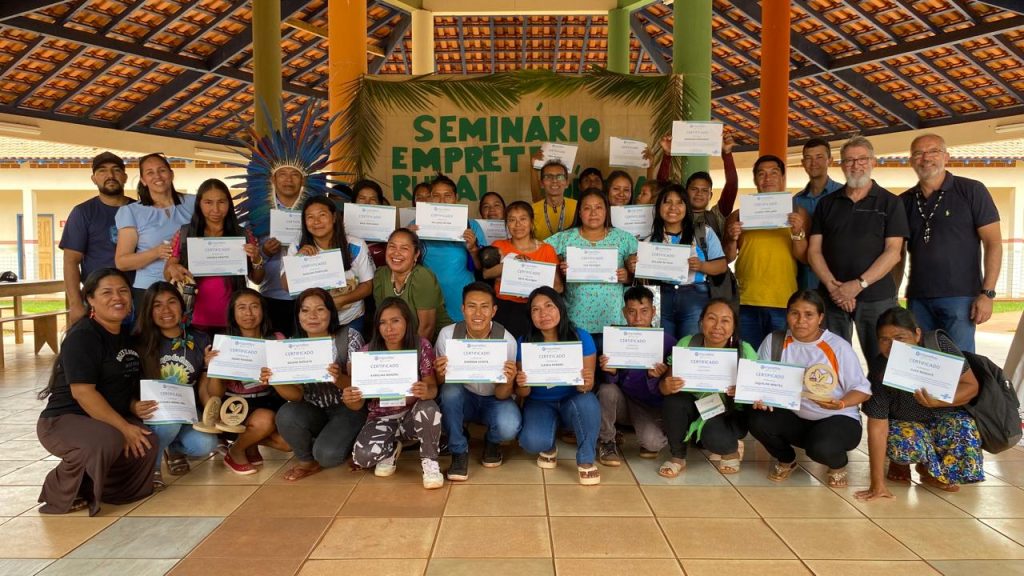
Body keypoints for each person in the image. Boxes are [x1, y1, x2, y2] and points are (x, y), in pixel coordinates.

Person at [36, 268, 157, 515]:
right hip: (65, 420)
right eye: (107, 292)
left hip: (101, 417)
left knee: (147, 439)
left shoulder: (125, 335)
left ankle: (110, 489)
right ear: (90, 298)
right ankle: (59, 490)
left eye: (123, 291)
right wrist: (124, 428)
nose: (118, 297)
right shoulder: (83, 336)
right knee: (108, 439)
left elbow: (122, 385)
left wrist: (133, 407)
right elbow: (83, 393)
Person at [746, 290, 872, 488]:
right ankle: (786, 460)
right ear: (787, 315)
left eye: (809, 315)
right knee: (756, 418)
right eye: (794, 313)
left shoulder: (837, 347)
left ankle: (838, 465)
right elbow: (761, 381)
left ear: (820, 318)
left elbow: (862, 390)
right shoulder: (775, 341)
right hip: (796, 418)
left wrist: (841, 403)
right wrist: (760, 397)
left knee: (821, 448)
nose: (800, 321)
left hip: (837, 419)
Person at [856, 307, 983, 500]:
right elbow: (877, 425)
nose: (892, 347)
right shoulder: (880, 369)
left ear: (917, 334)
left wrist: (939, 401)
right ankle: (902, 462)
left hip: (943, 417)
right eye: (884, 340)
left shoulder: (938, 344)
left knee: (965, 427)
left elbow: (971, 386)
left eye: (900, 338)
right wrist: (877, 483)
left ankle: (931, 470)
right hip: (907, 423)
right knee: (902, 444)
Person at [808, 136, 908, 362]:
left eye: (862, 159)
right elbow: (814, 251)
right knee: (831, 363)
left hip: (876, 298)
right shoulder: (827, 203)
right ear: (841, 165)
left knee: (882, 361)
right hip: (831, 298)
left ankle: (880, 400)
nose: (855, 165)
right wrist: (834, 287)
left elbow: (893, 253)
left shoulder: (891, 203)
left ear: (873, 162)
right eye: (849, 160)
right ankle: (841, 400)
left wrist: (858, 285)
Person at [899, 133, 1002, 353]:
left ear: (946, 157)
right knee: (923, 364)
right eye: (918, 153)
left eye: (933, 151)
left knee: (961, 365)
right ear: (911, 161)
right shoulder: (904, 201)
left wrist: (988, 294)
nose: (926, 158)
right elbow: (896, 253)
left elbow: (993, 243)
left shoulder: (972, 191)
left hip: (961, 299)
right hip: (918, 299)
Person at [347, 297, 444, 489]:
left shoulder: (421, 346)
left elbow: (432, 389)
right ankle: (391, 448)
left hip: (411, 415)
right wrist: (351, 398)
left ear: (407, 322)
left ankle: (430, 462)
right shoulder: (367, 353)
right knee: (362, 457)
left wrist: (426, 390)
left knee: (429, 408)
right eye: (383, 322)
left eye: (395, 321)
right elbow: (357, 404)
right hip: (381, 419)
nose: (389, 328)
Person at [273, 288, 367, 481]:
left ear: (331, 313)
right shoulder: (292, 345)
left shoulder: (349, 337)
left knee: (328, 456)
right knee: (286, 414)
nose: (312, 316)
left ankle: (351, 443)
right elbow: (296, 396)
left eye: (320, 309)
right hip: (315, 410)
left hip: (348, 409)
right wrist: (275, 380)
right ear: (298, 315)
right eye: (305, 310)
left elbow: (360, 388)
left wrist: (338, 377)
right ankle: (306, 461)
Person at [132, 282, 218, 489]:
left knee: (206, 444)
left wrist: (208, 368)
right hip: (152, 412)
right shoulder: (138, 342)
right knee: (169, 422)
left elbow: (202, 386)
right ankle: (150, 468)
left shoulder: (199, 338)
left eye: (172, 302)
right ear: (149, 311)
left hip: (186, 409)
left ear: (182, 305)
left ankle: (173, 448)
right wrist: (133, 404)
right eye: (157, 305)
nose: (166, 310)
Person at [659, 298, 755, 477]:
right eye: (712, 318)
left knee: (713, 433)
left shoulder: (745, 351)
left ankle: (729, 450)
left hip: (728, 412)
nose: (718, 326)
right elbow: (665, 387)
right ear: (701, 321)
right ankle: (677, 457)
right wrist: (666, 385)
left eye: (726, 320)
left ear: (734, 326)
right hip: (696, 407)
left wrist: (742, 392)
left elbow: (756, 394)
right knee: (673, 401)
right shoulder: (687, 343)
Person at [435, 282, 521, 481]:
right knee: (449, 392)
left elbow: (503, 394)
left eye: (485, 307)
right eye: (472, 306)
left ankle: (492, 441)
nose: (478, 313)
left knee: (509, 425)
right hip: (464, 397)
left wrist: (509, 380)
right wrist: (439, 372)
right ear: (463, 309)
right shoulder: (447, 335)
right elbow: (441, 383)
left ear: (494, 311)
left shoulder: (507, 340)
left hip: (494, 399)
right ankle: (458, 450)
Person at [516, 287, 601, 485]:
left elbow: (586, 387)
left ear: (561, 308)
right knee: (531, 442)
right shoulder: (525, 342)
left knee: (588, 401)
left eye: (549, 306)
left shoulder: (581, 337)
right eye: (535, 310)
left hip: (573, 400)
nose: (543, 314)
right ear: (530, 316)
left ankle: (586, 460)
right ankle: (550, 444)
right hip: (539, 402)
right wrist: (522, 383)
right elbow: (523, 392)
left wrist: (586, 382)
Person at [724, 155, 809, 348]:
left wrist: (798, 232)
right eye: (761, 174)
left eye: (773, 173)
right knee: (748, 358)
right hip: (747, 300)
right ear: (755, 180)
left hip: (784, 300)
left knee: (780, 360)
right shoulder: (738, 215)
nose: (767, 178)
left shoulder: (798, 213)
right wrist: (731, 237)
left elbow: (804, 257)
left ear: (782, 178)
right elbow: (728, 257)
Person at [163, 178, 265, 333]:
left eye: (221, 202)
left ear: (229, 204)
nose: (216, 209)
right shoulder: (185, 233)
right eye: (208, 203)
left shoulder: (242, 234)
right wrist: (173, 268)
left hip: (234, 320)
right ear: (199, 204)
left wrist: (257, 259)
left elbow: (257, 279)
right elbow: (167, 274)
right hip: (193, 318)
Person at [206, 288, 289, 474]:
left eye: (254, 307)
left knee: (287, 444)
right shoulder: (223, 343)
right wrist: (215, 369)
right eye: (241, 308)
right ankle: (236, 451)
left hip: (269, 398)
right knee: (265, 420)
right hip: (235, 402)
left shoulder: (277, 339)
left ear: (263, 310)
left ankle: (247, 442)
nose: (248, 313)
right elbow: (214, 393)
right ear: (233, 313)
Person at [631, 185, 728, 340]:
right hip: (661, 297)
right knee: (662, 348)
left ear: (686, 207)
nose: (673, 207)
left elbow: (722, 265)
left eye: (679, 202)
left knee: (690, 345)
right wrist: (634, 265)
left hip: (695, 296)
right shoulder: (649, 240)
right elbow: (639, 272)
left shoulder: (703, 233)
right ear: (659, 207)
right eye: (667, 202)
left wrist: (702, 266)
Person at [547, 188, 638, 349]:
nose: (593, 213)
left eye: (599, 207)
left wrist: (628, 276)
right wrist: (558, 271)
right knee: (583, 371)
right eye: (587, 208)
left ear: (606, 211)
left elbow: (642, 268)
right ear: (580, 212)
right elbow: (539, 251)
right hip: (576, 318)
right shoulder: (566, 237)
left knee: (609, 371)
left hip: (613, 318)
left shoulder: (623, 238)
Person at [596, 286, 674, 466]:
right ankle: (607, 440)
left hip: (649, 406)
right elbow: (610, 384)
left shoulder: (668, 342)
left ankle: (637, 429)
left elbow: (668, 391)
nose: (638, 318)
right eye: (632, 312)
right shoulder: (617, 338)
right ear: (624, 312)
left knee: (653, 443)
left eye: (644, 311)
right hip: (624, 401)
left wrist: (654, 378)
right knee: (607, 390)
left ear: (653, 311)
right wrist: (612, 372)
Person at [114, 153, 195, 313]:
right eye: (150, 172)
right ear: (143, 180)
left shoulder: (194, 203)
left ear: (171, 174)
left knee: (190, 337)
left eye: (162, 170)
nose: (157, 176)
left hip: (190, 286)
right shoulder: (131, 211)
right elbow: (122, 262)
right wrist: (156, 252)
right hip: (149, 291)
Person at [61, 152, 134, 325]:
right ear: (94, 179)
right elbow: (71, 261)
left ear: (124, 177)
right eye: (102, 171)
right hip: (99, 300)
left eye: (116, 170)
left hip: (136, 297)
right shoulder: (83, 213)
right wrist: (76, 304)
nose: (110, 176)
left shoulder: (139, 210)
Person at [283, 196, 375, 333]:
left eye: (322, 215)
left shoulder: (356, 245)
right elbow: (285, 286)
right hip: (312, 323)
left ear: (334, 217)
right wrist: (298, 260)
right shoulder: (297, 247)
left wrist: (342, 300)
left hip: (350, 320)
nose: (316, 222)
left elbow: (367, 286)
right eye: (310, 217)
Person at [412, 174, 486, 323]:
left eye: (447, 195)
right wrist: (408, 237)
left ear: (456, 198)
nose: (442, 201)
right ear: (430, 199)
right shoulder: (417, 224)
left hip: (461, 298)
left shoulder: (471, 226)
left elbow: (482, 268)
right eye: (436, 196)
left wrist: (473, 249)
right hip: (428, 299)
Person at [484, 201, 562, 339]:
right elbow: (486, 273)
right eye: (512, 220)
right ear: (507, 224)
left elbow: (558, 287)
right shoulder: (499, 246)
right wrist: (512, 264)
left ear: (531, 222)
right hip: (504, 308)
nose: (517, 224)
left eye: (523, 219)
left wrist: (535, 285)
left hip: (536, 309)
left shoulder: (546, 249)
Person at [254, 165, 314, 337]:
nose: (288, 179)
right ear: (273, 179)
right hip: (271, 296)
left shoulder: (313, 213)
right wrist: (264, 252)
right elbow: (251, 271)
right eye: (282, 174)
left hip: (307, 297)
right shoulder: (258, 214)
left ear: (303, 180)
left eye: (295, 174)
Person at [372, 228, 452, 340]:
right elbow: (383, 321)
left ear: (416, 254)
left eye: (404, 248)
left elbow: (427, 328)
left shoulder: (422, 277)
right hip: (402, 343)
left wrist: (409, 356)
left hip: (433, 343)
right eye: (392, 246)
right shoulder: (381, 275)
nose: (396, 253)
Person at [654, 134, 737, 241]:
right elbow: (661, 189)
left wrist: (727, 154)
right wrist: (667, 154)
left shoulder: (716, 216)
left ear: (710, 195)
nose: (699, 193)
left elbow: (732, 185)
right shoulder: (674, 214)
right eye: (694, 189)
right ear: (685, 192)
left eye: (704, 190)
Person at [794, 138, 844, 290]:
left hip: (837, 278)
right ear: (803, 163)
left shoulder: (844, 195)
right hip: (804, 279)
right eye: (808, 158)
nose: (813, 162)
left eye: (819, 157)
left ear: (830, 160)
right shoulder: (795, 201)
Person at [533, 161, 578, 241]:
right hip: (542, 252)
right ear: (541, 183)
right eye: (548, 177)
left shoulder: (579, 207)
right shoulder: (531, 210)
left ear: (567, 183)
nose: (554, 181)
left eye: (560, 177)